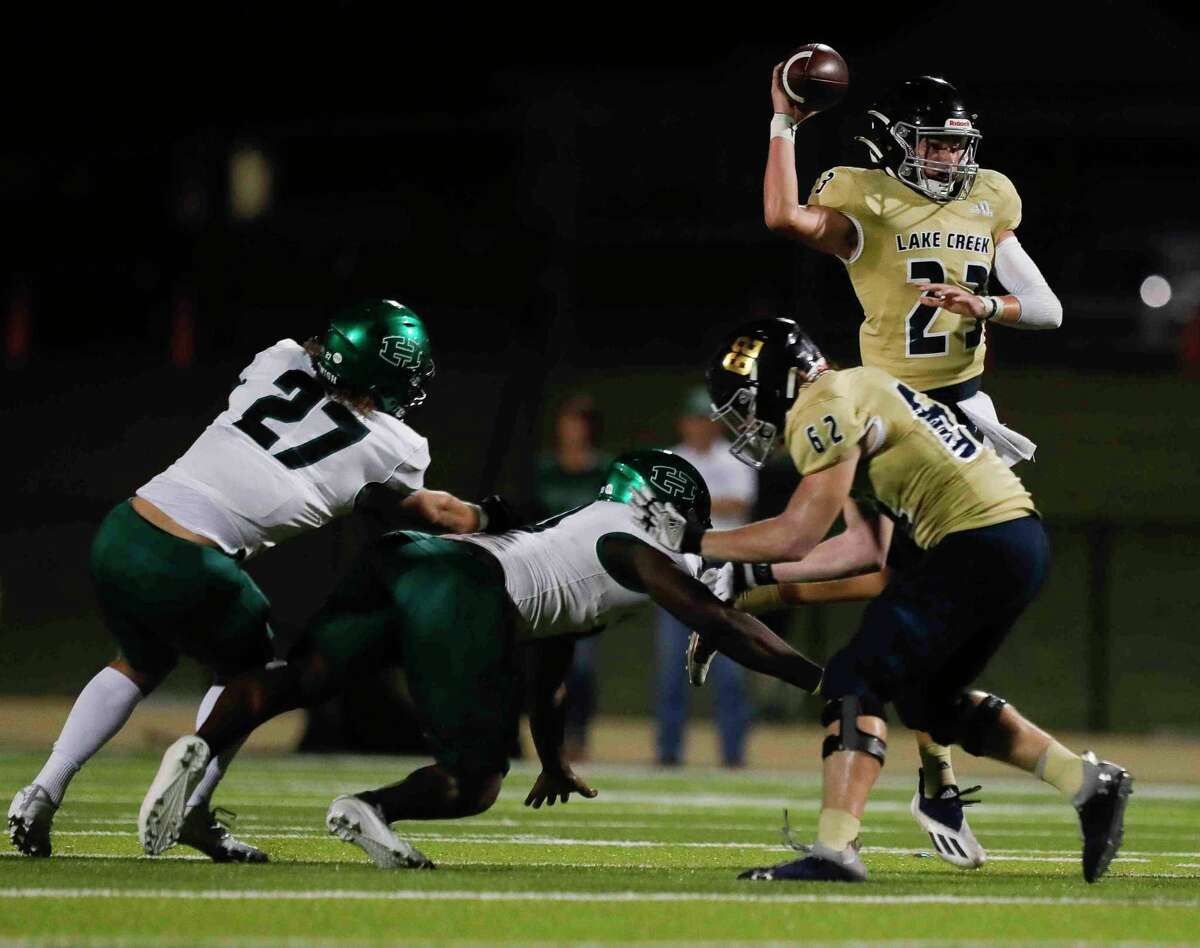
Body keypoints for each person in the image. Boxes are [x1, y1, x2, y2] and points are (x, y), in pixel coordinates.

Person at [135, 450, 825, 867]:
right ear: (668, 506)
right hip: (466, 590)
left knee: (306, 677)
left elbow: (553, 659)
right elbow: (721, 621)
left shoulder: (588, 535)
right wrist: (821, 680)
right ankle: (369, 806)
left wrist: (553, 758)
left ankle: (198, 750)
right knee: (477, 781)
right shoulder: (630, 542)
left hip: (411, 559)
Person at [635, 320, 1132, 884]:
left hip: (974, 541)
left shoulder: (819, 409)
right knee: (932, 703)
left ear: (777, 382)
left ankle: (835, 849)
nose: (747, 424)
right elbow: (865, 550)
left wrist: (690, 541)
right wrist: (746, 577)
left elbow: (798, 532)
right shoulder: (855, 389)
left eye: (745, 406)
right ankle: (1089, 784)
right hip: (1013, 540)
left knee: (854, 678)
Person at [7, 300, 502, 862]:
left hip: (124, 530)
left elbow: (307, 383)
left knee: (138, 662)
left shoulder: (280, 359)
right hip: (193, 561)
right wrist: (490, 517)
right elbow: (437, 514)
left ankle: (43, 789)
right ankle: (193, 806)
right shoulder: (392, 445)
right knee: (254, 675)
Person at [761, 67, 1064, 865]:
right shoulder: (866, 195)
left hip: (957, 417)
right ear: (894, 143)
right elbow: (784, 215)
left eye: (954, 145)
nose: (944, 159)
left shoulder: (989, 197)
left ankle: (928, 781)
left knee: (904, 594)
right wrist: (783, 122)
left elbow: (1048, 307)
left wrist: (986, 305)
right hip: (890, 410)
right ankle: (939, 775)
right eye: (930, 143)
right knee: (899, 590)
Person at [655, 388, 757, 767]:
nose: (699, 426)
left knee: (731, 672)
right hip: (679, 569)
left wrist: (685, 503)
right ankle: (667, 755)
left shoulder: (737, 457)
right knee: (671, 671)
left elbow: (741, 503)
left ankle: (733, 757)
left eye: (706, 419)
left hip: (725, 570)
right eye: (694, 419)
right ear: (684, 422)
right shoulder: (669, 459)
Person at [533, 395, 612, 759]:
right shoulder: (544, 469)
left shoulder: (604, 472)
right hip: (544, 577)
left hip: (588, 579)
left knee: (581, 666)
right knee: (545, 665)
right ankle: (550, 738)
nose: (574, 429)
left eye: (581, 422)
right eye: (568, 421)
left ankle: (579, 736)